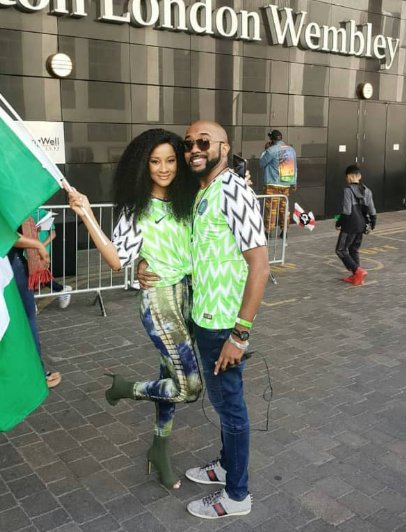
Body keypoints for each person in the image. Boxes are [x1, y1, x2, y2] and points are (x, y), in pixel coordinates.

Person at [139, 121, 269, 519]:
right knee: (223, 402)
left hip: (223, 326)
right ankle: (226, 467)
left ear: (224, 147)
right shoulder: (204, 191)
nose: (194, 148)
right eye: (189, 142)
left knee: (230, 409)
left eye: (204, 142)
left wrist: (240, 335)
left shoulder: (233, 192)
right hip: (204, 317)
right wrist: (144, 261)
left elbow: (260, 266)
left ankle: (237, 496)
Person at [68, 129, 202, 490]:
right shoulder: (135, 209)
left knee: (171, 381)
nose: (164, 168)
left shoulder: (188, 198)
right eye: (155, 161)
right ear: (144, 165)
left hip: (189, 298)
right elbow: (116, 259)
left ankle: (159, 449)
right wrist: (85, 214)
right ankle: (126, 388)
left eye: (171, 160)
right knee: (189, 387)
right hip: (159, 302)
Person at [0, 220, 62, 403]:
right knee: (27, 319)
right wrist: (36, 244)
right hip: (8, 262)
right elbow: (5, 233)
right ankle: (37, 373)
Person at [335, 165, 377, 286]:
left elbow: (347, 211)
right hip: (362, 224)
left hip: (350, 225)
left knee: (341, 250)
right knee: (354, 249)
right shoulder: (367, 190)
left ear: (348, 177)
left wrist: (339, 223)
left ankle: (358, 271)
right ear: (360, 176)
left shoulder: (347, 190)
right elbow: (372, 211)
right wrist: (373, 224)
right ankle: (356, 276)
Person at [259, 130, 297, 238]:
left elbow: (262, 163)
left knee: (271, 208)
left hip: (272, 185)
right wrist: (294, 183)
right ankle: (284, 231)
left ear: (271, 139)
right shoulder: (291, 150)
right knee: (284, 209)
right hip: (285, 185)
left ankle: (267, 232)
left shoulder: (271, 150)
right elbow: (295, 168)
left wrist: (265, 150)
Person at [33, 208, 72, 309]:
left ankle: (61, 289)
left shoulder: (44, 213)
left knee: (39, 274)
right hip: (28, 250)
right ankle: (61, 289)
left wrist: (41, 246)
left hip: (41, 250)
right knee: (34, 275)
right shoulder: (24, 212)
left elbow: (53, 234)